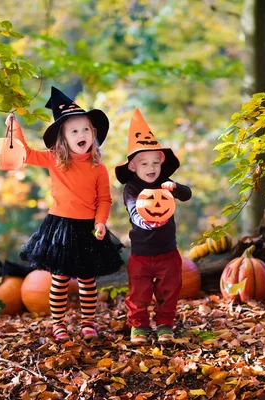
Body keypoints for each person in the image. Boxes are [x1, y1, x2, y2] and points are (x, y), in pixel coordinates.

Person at [10, 86, 124, 342]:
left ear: (93, 134)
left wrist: (101, 222)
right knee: (60, 279)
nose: (81, 134)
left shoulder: (98, 167)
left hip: (88, 228)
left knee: (87, 279)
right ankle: (58, 324)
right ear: (63, 138)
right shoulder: (54, 159)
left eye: (86, 129)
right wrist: (14, 126)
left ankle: (88, 322)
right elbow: (25, 154)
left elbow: (104, 199)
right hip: (60, 226)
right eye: (74, 131)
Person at [115, 108, 192, 344]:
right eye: (144, 163)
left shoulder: (165, 183)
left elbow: (187, 194)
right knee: (138, 293)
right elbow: (133, 210)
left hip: (168, 252)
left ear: (161, 163)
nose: (151, 168)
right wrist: (146, 222)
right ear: (132, 167)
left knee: (169, 291)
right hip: (141, 254)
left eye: (155, 163)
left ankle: (165, 324)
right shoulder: (131, 188)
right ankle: (138, 325)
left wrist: (175, 188)